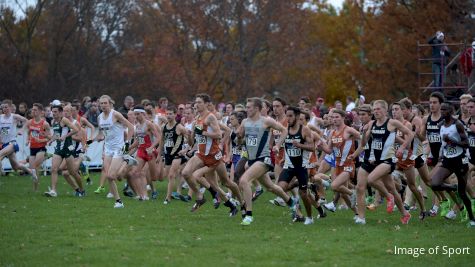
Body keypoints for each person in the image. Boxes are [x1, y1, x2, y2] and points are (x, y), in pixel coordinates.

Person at [351, 100, 413, 225]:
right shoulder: (372, 124)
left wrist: (402, 147)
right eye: (374, 110)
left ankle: (388, 197)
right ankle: (362, 218)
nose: (376, 111)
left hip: (387, 161)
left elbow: (410, 134)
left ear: (385, 110)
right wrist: (363, 133)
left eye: (378, 109)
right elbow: (363, 144)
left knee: (371, 180)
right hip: (372, 160)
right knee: (360, 187)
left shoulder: (392, 122)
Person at [238, 97, 296, 226]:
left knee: (244, 181)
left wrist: (277, 145)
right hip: (252, 159)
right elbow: (240, 138)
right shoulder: (245, 122)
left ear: (257, 108)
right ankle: (291, 202)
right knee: (270, 187)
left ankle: (248, 215)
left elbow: (284, 130)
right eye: (246, 107)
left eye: (249, 107)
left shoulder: (266, 121)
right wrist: (238, 137)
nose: (246, 109)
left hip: (264, 159)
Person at [430, 102, 475, 227]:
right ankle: (452, 188)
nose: (442, 112)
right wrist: (442, 153)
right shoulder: (440, 125)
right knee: (434, 183)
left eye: (445, 110)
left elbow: (466, 143)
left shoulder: (458, 125)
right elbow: (443, 144)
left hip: (460, 160)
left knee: (462, 193)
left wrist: (452, 140)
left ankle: (472, 219)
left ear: (450, 112)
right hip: (447, 160)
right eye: (441, 109)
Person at [277, 106, 320, 225]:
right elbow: (284, 144)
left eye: (290, 116)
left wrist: (300, 145)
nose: (288, 118)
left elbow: (312, 147)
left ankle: (310, 217)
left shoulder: (304, 130)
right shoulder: (286, 130)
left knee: (303, 194)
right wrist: (281, 154)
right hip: (289, 166)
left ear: (296, 116)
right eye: (287, 116)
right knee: (280, 189)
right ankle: (293, 204)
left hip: (301, 167)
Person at [94, 95, 135, 208]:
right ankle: (118, 201)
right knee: (109, 176)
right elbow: (102, 133)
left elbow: (131, 127)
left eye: (105, 103)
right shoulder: (99, 117)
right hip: (108, 148)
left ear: (110, 103)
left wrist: (127, 143)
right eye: (101, 103)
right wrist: (96, 138)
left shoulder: (115, 114)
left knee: (112, 175)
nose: (103, 105)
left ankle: (126, 161)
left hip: (119, 148)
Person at [44, 105, 83, 197]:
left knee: (72, 172)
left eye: (55, 112)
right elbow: (56, 134)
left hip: (68, 149)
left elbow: (76, 129)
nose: (53, 114)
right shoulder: (53, 121)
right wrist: (51, 140)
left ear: (61, 112)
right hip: (59, 149)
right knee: (54, 169)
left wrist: (65, 136)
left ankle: (81, 189)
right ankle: (53, 191)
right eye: (52, 112)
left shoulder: (64, 120)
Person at [0, 100, 34, 178]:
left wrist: (22, 130)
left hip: (12, 143)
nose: (4, 109)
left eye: (6, 107)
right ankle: (31, 172)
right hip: (4, 144)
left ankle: (1, 173)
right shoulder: (0, 117)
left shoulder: (14, 116)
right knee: (16, 166)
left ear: (10, 107)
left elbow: (26, 121)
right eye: (3, 107)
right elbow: (3, 131)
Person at [25, 103, 51, 191]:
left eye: (35, 110)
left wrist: (41, 140)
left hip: (41, 147)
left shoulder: (45, 124)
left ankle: (46, 155)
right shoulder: (30, 122)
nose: (33, 111)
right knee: (32, 169)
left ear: (40, 112)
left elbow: (50, 137)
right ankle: (35, 189)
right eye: (33, 109)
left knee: (36, 165)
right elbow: (28, 133)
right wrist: (27, 140)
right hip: (32, 147)